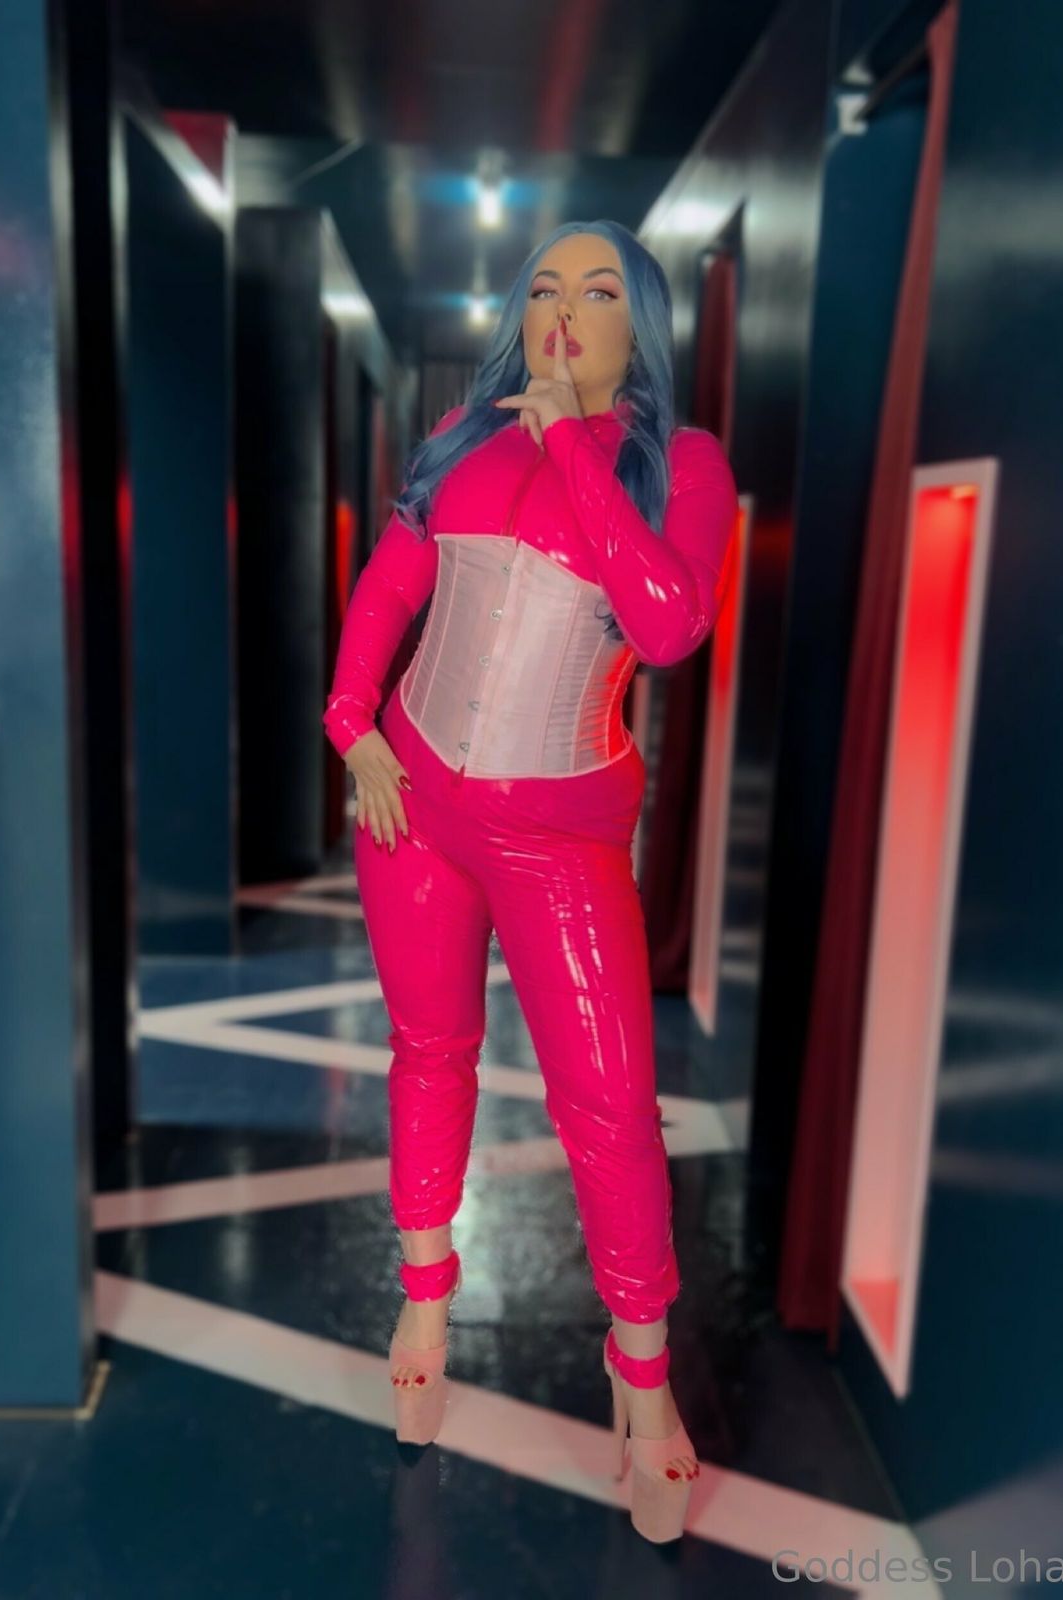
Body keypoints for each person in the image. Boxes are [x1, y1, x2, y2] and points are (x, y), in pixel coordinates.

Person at [322, 219, 738, 1543]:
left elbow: (667, 626)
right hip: (416, 805)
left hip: (561, 833)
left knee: (608, 1104)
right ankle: (424, 1302)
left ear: (638, 324)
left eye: (598, 290)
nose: (564, 310)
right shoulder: (460, 436)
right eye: (544, 287)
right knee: (429, 1049)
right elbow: (393, 584)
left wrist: (572, 446)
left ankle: (643, 1379)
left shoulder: (681, 461)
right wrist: (353, 722)